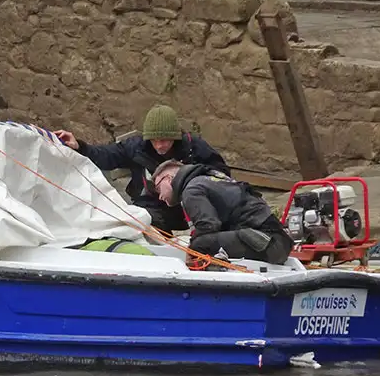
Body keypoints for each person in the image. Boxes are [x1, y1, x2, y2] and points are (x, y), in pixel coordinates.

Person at [54, 105, 230, 232]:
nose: (159, 146)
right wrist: (80, 147)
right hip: (149, 208)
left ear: (175, 138)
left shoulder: (194, 147)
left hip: (188, 208)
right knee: (135, 221)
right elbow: (106, 155)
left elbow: (221, 175)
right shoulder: (135, 147)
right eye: (154, 140)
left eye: (165, 140)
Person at [151, 159, 293, 265]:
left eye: (158, 188)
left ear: (168, 179)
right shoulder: (210, 179)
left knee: (199, 245)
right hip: (276, 242)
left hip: (268, 244)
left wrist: (190, 252)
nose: (159, 196)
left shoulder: (191, 190)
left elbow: (208, 226)